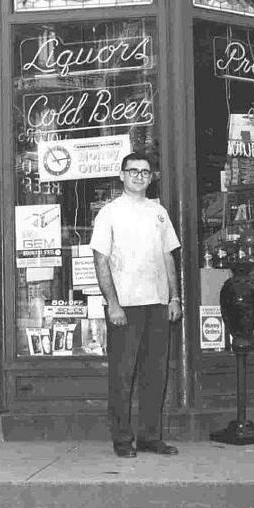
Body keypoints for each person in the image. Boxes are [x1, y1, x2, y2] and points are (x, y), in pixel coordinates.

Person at [90, 152, 182, 458]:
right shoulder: (109, 213)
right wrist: (112, 304)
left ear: (151, 177)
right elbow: (101, 260)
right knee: (122, 375)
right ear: (122, 175)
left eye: (145, 172)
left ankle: (150, 437)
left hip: (157, 303)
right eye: (133, 171)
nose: (139, 176)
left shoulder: (159, 213)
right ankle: (122, 440)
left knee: (155, 374)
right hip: (125, 305)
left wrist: (174, 297)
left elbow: (169, 256)